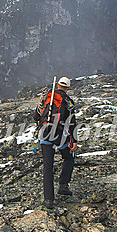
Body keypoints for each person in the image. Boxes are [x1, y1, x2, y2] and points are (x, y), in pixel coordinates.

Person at [33, 76, 77, 208]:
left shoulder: (47, 97)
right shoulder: (68, 101)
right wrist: (74, 140)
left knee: (48, 166)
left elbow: (36, 116)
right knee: (68, 157)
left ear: (58, 85)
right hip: (59, 134)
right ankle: (63, 185)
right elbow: (72, 123)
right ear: (68, 88)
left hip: (45, 133)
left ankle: (49, 200)